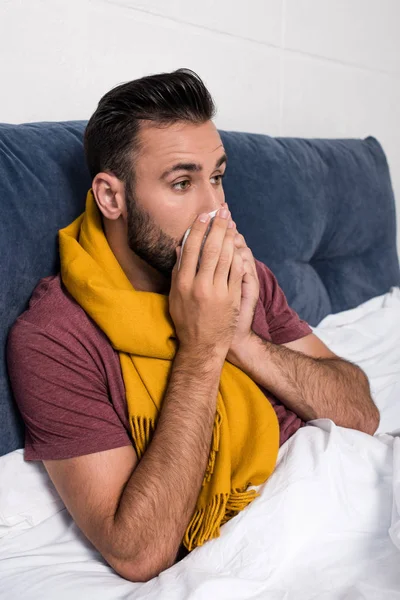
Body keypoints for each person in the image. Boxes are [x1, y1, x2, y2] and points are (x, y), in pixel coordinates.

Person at [6, 68, 379, 583]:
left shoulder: (237, 272)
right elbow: (138, 551)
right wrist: (202, 350)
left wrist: (241, 340)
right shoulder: (55, 339)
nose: (216, 210)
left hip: (352, 493)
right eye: (182, 183)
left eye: (217, 177)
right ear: (111, 198)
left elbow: (361, 412)